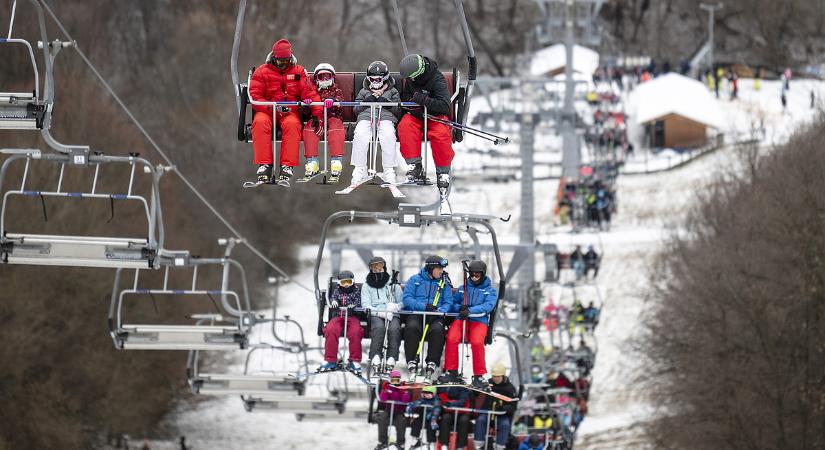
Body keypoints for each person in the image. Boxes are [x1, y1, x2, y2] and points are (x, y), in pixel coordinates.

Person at [249, 39, 322, 185]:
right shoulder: (262, 72)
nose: (284, 65)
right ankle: (265, 165)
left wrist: (317, 114)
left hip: (289, 111)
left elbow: (310, 93)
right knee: (260, 122)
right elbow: (255, 96)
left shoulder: (299, 72)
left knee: (293, 125)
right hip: (268, 110)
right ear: (274, 59)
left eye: (286, 62)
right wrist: (272, 107)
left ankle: (287, 166)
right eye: (280, 62)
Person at [397, 54, 455, 193]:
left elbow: (444, 106)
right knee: (405, 126)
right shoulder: (412, 80)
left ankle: (443, 172)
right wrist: (411, 105)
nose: (410, 80)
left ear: (418, 73)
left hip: (435, 116)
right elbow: (406, 96)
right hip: (417, 115)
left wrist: (424, 100)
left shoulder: (437, 79)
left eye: (411, 77)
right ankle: (415, 165)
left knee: (441, 135)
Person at [441, 260, 498, 388]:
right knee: (451, 338)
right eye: (472, 274)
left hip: (478, 321)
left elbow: (488, 306)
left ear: (482, 275)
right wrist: (460, 308)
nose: (474, 277)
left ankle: (479, 375)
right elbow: (453, 303)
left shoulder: (490, 291)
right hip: (461, 319)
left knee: (477, 342)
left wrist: (470, 310)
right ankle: (452, 371)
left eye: (477, 275)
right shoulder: (463, 289)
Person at [402, 256, 453, 383]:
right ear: (431, 269)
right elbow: (407, 299)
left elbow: (448, 302)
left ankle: (432, 363)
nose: (441, 271)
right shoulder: (415, 280)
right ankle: (412, 361)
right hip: (418, 313)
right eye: (439, 268)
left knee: (437, 330)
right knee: (412, 327)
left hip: (435, 315)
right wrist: (424, 306)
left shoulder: (444, 283)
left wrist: (438, 311)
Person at [351, 61, 401, 186]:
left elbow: (399, 111)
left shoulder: (392, 91)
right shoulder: (364, 91)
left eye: (378, 79)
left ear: (385, 78)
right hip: (366, 117)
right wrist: (366, 102)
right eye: (372, 79)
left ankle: (389, 169)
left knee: (388, 135)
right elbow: (355, 110)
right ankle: (360, 168)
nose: (375, 82)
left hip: (385, 118)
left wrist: (388, 104)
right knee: (360, 134)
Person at [302, 63, 346, 182]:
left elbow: (340, 102)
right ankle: (312, 162)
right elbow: (305, 113)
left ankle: (336, 161)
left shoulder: (336, 90)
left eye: (328, 76)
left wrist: (333, 102)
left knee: (336, 131)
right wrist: (306, 105)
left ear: (333, 78)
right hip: (317, 118)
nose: (325, 80)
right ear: (316, 79)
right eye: (322, 77)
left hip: (333, 117)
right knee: (309, 130)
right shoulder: (313, 90)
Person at [361, 256, 403, 372]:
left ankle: (391, 357)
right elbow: (365, 304)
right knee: (379, 328)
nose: (378, 271)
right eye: (375, 269)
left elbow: (402, 300)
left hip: (392, 313)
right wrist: (380, 312)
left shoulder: (392, 285)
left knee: (394, 329)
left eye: (380, 269)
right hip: (376, 313)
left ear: (384, 268)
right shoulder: (367, 286)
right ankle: (375, 356)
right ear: (371, 270)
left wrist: (396, 306)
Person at [317, 270, 364, 374]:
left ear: (353, 282)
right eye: (344, 283)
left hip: (352, 317)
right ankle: (330, 359)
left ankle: (354, 360)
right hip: (339, 316)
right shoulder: (337, 290)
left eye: (349, 282)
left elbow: (359, 301)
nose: (346, 285)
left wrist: (354, 306)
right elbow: (333, 297)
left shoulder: (356, 290)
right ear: (339, 283)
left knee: (356, 332)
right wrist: (334, 302)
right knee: (330, 329)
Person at [473, 363, 518, 450]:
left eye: (498, 376)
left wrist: (503, 409)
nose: (495, 378)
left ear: (503, 376)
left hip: (501, 414)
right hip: (488, 412)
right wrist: (476, 390)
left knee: (505, 424)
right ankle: (478, 445)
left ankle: (499, 446)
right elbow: (478, 394)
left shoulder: (509, 388)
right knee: (480, 420)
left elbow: (513, 406)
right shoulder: (488, 384)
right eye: (494, 376)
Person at [374, 370, 410, 450]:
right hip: (388, 410)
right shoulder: (387, 386)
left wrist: (404, 393)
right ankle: (383, 442)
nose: (395, 382)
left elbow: (405, 400)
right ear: (390, 380)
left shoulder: (402, 387)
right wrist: (386, 391)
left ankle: (401, 443)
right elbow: (383, 399)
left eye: (397, 380)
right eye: (393, 380)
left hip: (399, 411)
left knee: (401, 422)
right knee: (382, 419)